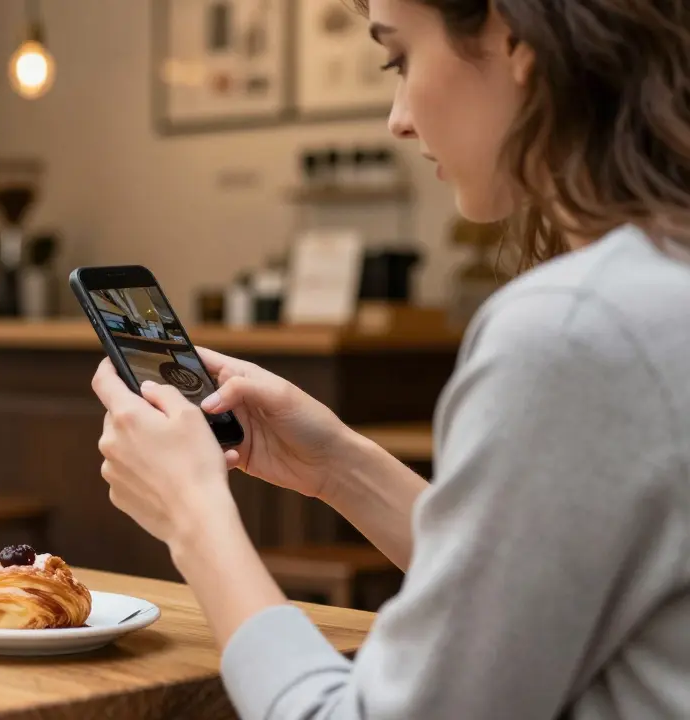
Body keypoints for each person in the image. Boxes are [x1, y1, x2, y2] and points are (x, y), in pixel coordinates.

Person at [90, 0, 690, 717]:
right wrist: (338, 464)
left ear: (514, 37)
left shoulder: (576, 329)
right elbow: (523, 587)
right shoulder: (655, 288)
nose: (397, 118)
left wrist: (194, 516)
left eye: (399, 58)